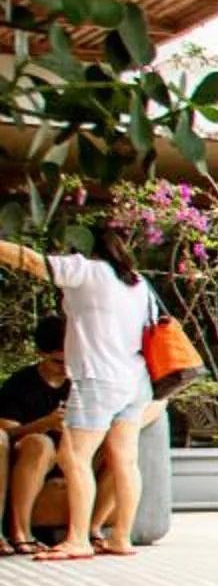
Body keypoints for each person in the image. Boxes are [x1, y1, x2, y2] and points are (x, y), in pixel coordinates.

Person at [0, 223, 154, 559]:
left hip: (98, 379)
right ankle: (121, 537)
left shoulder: (86, 271)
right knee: (125, 460)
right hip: (135, 379)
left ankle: (78, 540)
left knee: (73, 457)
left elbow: (31, 261)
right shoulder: (136, 282)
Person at [0, 315, 69, 554]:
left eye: (71, 361)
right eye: (58, 362)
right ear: (41, 353)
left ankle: (92, 531)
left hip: (72, 452)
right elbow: (7, 433)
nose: (66, 369)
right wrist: (45, 424)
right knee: (39, 443)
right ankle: (20, 532)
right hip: (29, 456)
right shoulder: (21, 383)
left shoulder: (81, 382)